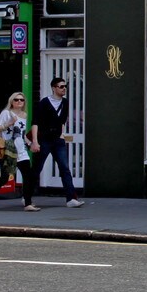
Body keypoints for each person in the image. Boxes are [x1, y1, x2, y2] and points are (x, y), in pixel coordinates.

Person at [32, 76, 83, 207]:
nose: (64, 89)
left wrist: (62, 134)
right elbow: (35, 122)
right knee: (37, 168)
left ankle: (71, 198)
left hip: (57, 140)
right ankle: (27, 196)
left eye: (65, 86)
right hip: (44, 140)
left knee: (65, 168)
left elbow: (62, 121)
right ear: (54, 88)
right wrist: (35, 141)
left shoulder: (65, 102)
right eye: (61, 87)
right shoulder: (44, 102)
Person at [0, 92, 38, 212]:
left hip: (21, 150)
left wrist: (29, 143)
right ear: (11, 101)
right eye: (16, 100)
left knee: (28, 176)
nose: (19, 102)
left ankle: (27, 203)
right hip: (9, 149)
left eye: (21, 100)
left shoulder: (24, 115)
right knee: (4, 178)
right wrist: (9, 123)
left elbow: (22, 133)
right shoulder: (6, 113)